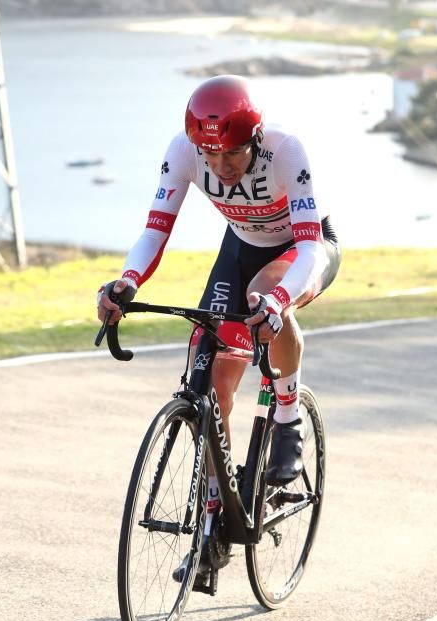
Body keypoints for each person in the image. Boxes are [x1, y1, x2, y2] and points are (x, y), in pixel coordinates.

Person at [97, 75, 340, 573]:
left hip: (300, 251)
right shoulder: (184, 151)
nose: (221, 168)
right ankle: (213, 521)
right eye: (210, 157)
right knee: (208, 381)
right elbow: (155, 229)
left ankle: (288, 414)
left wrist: (278, 298)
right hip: (239, 250)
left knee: (264, 300)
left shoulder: (285, 151)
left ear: (253, 140)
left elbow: (312, 245)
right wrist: (126, 282)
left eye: (231, 155)